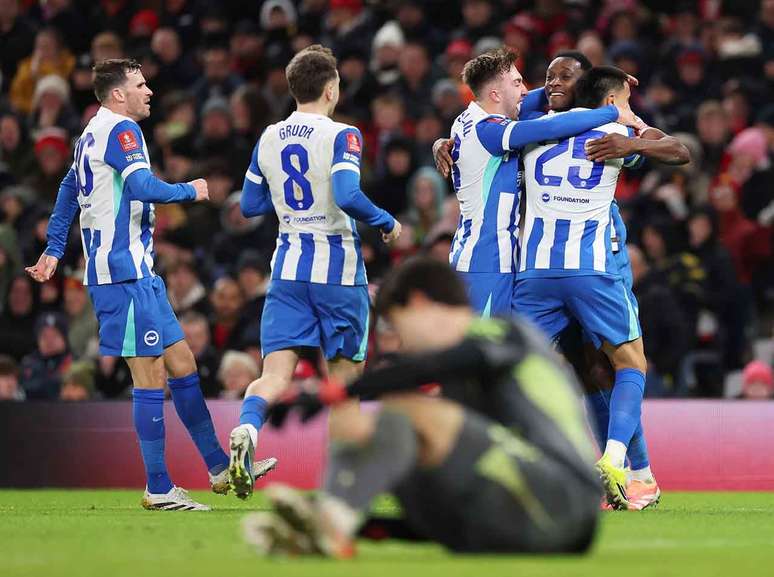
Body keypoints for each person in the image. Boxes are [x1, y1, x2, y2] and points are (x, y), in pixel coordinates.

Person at [25, 58, 273, 511]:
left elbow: (67, 191)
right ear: (118, 94)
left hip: (138, 274)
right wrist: (189, 191)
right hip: (122, 276)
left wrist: (55, 249)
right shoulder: (122, 132)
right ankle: (158, 486)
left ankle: (219, 468)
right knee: (150, 374)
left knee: (182, 363)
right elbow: (140, 186)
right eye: (140, 85)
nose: (149, 91)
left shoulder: (89, 135)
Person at [242, 257, 600, 557]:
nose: (403, 343)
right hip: (518, 524)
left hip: (568, 502)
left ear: (419, 303)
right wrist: (374, 528)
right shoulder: (465, 391)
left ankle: (333, 515)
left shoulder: (506, 332)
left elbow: (437, 365)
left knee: (404, 410)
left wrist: (337, 392)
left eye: (398, 326)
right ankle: (333, 526)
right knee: (395, 442)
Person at [228, 45, 401, 500]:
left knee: (275, 374)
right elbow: (346, 194)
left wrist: (287, 203)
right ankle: (343, 481)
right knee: (344, 380)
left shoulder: (268, 137)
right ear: (331, 88)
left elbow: (248, 205)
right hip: (337, 272)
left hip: (286, 270)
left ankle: (247, 428)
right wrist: (386, 220)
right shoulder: (343, 135)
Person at [513, 65, 655, 509]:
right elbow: (670, 148)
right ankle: (615, 458)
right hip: (591, 270)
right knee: (630, 360)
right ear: (612, 101)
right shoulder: (613, 137)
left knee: (513, 366)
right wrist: (631, 125)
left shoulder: (531, 131)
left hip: (534, 272)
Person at [444, 47, 637, 318]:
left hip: (480, 255)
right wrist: (611, 111)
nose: (525, 91)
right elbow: (550, 127)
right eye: (517, 83)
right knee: (485, 349)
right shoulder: (491, 130)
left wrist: (593, 84)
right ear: (496, 95)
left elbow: (548, 97)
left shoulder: (467, 118)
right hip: (487, 260)